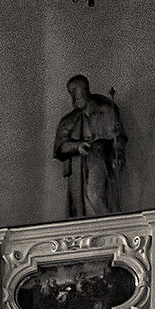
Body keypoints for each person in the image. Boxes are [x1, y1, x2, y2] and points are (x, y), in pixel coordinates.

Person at [51, 75, 127, 219]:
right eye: (70, 92)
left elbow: (117, 137)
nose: (72, 95)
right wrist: (77, 146)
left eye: (75, 90)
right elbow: (60, 147)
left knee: (95, 196)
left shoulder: (106, 109)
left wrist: (119, 154)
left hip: (97, 155)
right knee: (78, 206)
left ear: (85, 89)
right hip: (76, 164)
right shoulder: (68, 120)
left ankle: (109, 227)